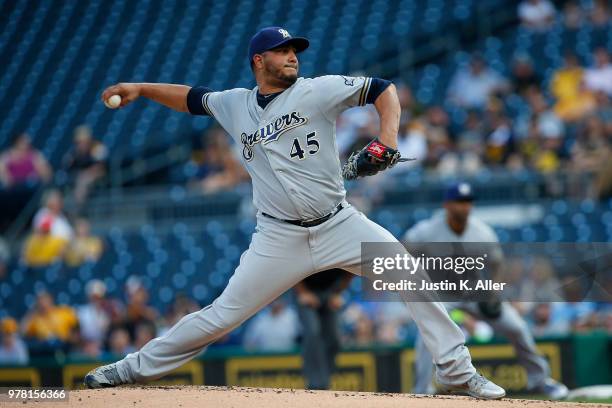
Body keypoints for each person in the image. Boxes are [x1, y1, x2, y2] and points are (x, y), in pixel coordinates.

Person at [85, 26, 505, 399]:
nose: (292, 56)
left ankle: (457, 372)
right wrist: (141, 88)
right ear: (258, 60)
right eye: (283, 50)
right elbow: (190, 98)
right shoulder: (234, 104)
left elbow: (382, 88)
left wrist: (387, 140)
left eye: (294, 50)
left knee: (411, 275)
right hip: (278, 237)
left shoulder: (316, 89)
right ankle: (127, 369)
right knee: (219, 317)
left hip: (339, 223)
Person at [403, 182, 569, 400]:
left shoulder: (481, 231)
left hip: (474, 293)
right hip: (442, 295)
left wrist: (492, 290)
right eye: (459, 202)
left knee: (517, 328)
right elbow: (402, 251)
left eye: (468, 202)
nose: (464, 207)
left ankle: (540, 380)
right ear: (447, 204)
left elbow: (497, 264)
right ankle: (422, 389)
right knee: (427, 337)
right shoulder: (427, 230)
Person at [294, 268, 352, 389]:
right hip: (305, 287)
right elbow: (289, 268)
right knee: (312, 332)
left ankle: (326, 380)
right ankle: (313, 384)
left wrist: (338, 292)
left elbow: (353, 271)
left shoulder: (342, 250)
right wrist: (302, 292)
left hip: (329, 291)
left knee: (334, 337)